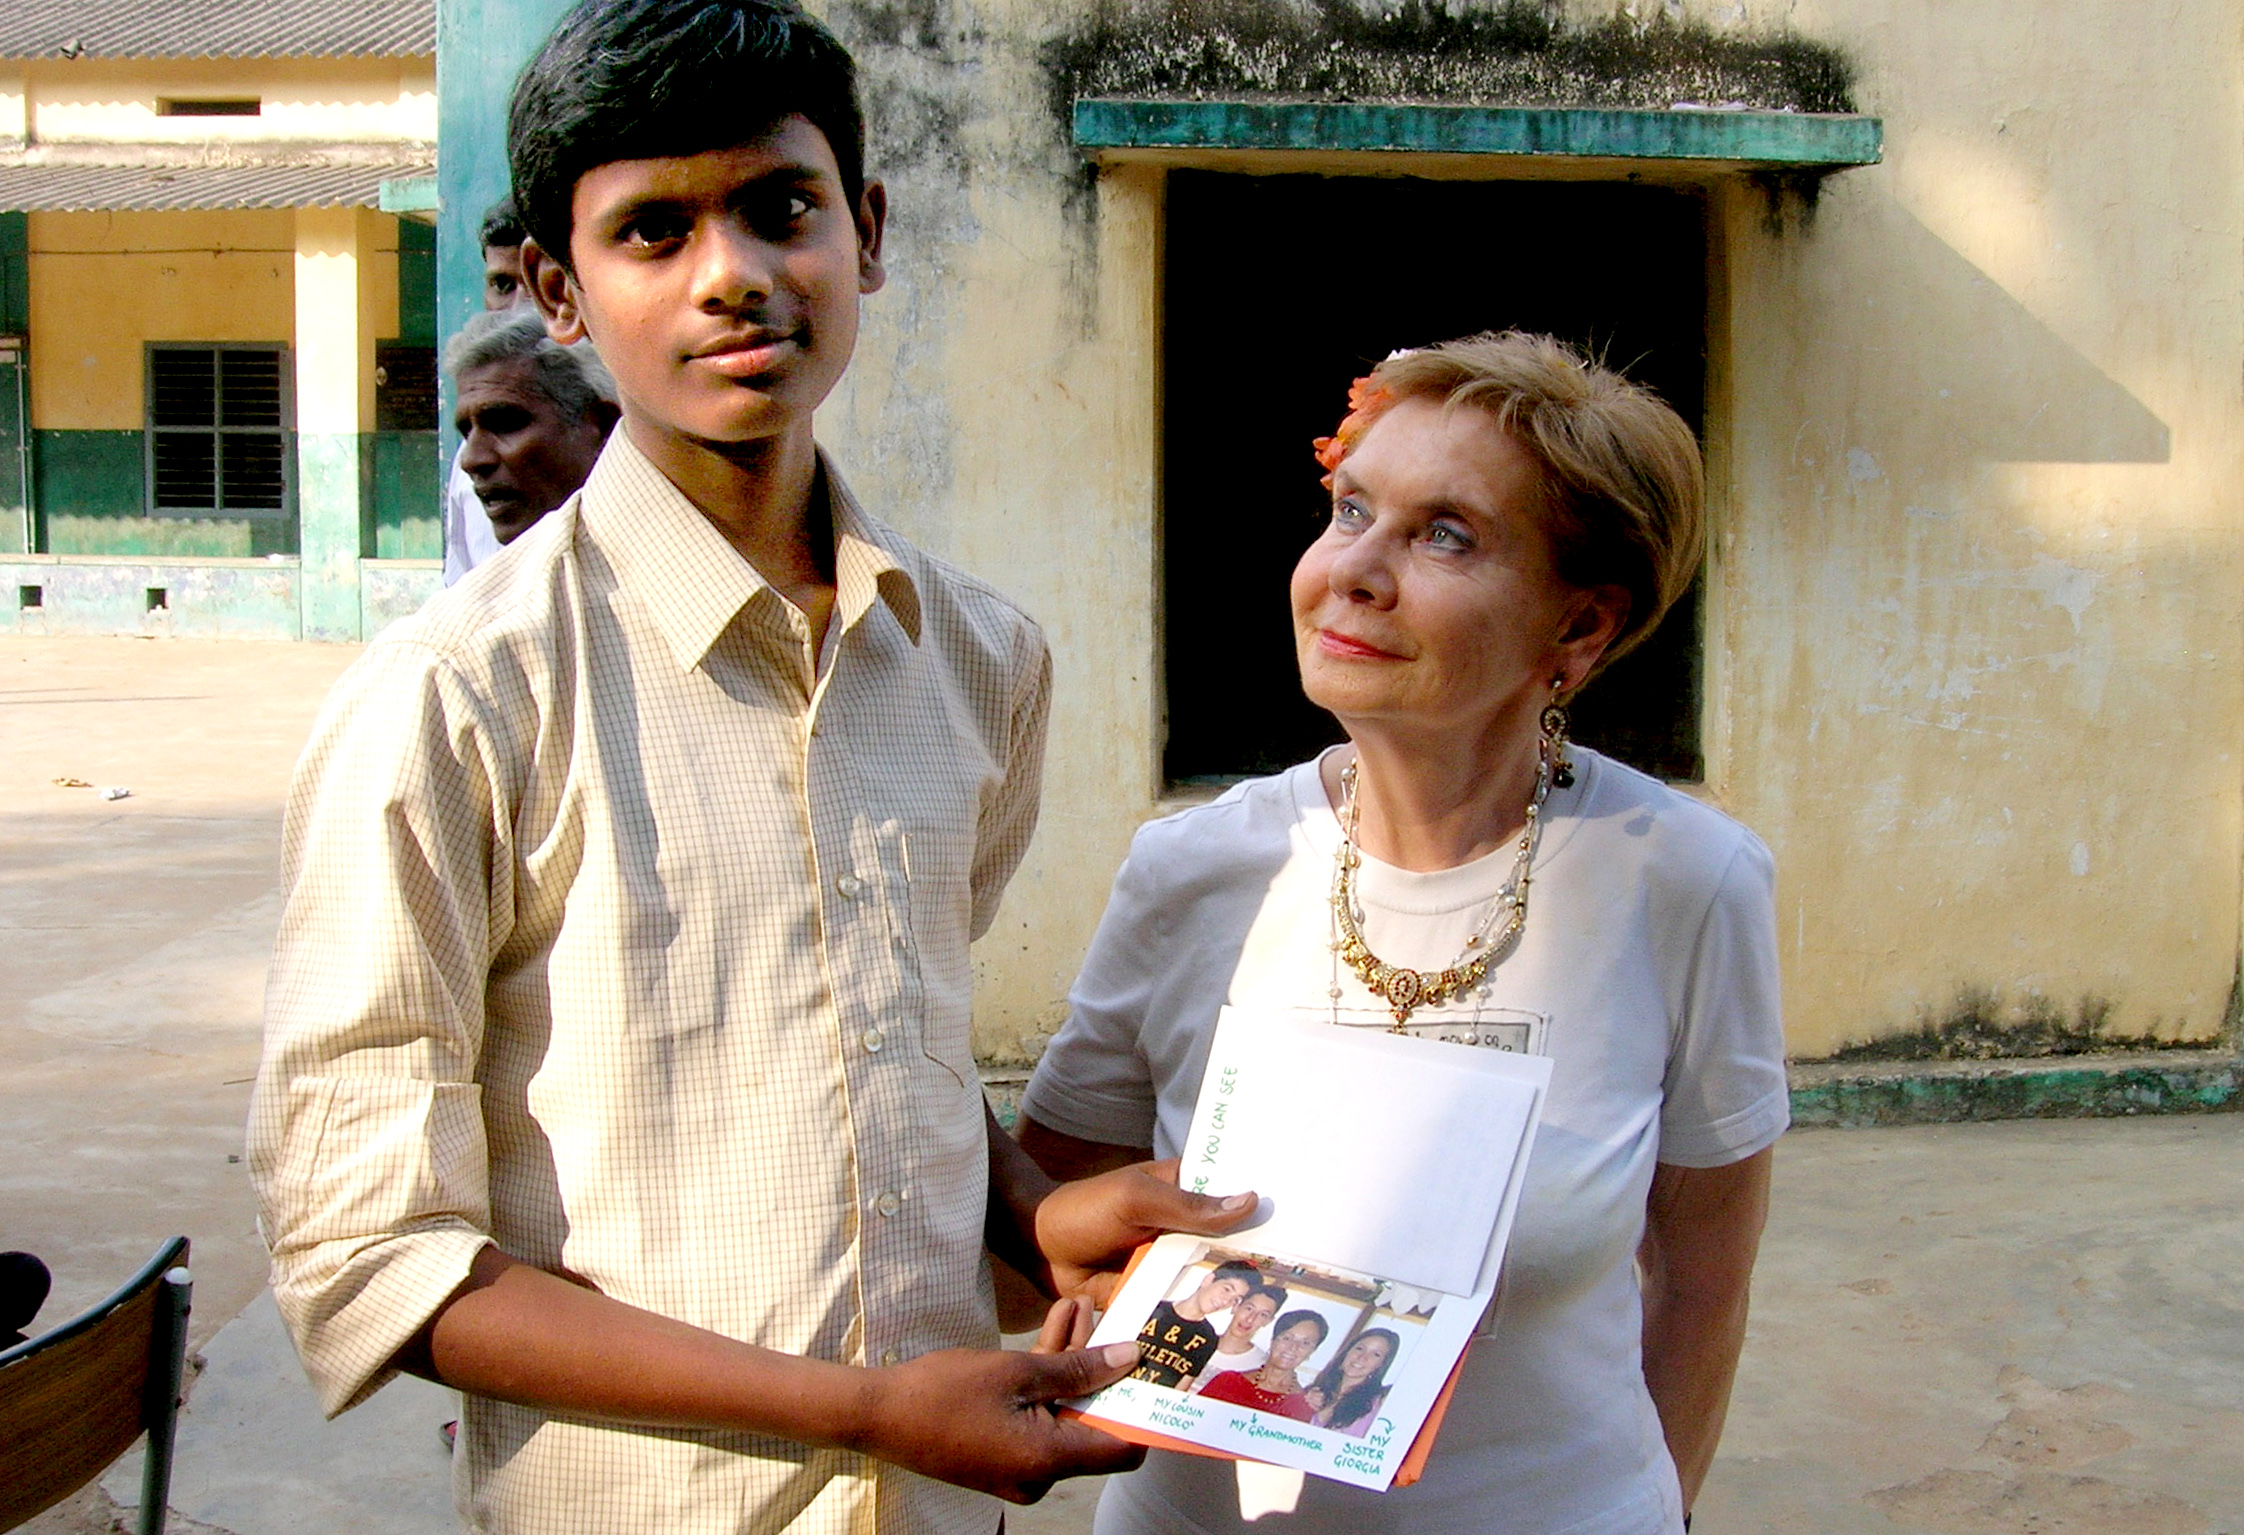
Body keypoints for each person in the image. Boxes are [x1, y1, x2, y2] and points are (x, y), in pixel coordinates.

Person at [246, 2, 1252, 1531]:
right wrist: (861, 1405)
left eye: (779, 208)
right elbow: (374, 1255)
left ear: (867, 230)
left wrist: (1032, 1211)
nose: (733, 276)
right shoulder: (453, 699)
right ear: (556, 294)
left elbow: (872, 1039)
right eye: (651, 232)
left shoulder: (977, 659)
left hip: (940, 1498)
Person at [1016, 331, 1786, 1535]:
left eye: (1445, 535)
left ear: (1578, 630)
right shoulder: (1197, 871)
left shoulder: (1684, 881)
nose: (1354, 570)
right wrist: (1084, 1254)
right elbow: (1044, 1210)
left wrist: (1659, 1512)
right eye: (1349, 510)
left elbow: (1700, 1286)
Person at [445, 308, 619, 548]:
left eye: (504, 425)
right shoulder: (493, 581)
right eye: (466, 431)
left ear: (602, 426)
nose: (472, 460)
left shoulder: (673, 556)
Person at [441, 199, 533, 585]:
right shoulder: (472, 454)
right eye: (502, 285)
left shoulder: (634, 433)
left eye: (542, 284)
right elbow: (458, 584)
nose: (520, 308)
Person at [1131, 1259, 1259, 1388]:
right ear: (1208, 1280)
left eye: (1235, 1299)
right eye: (1226, 1289)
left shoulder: (1208, 1339)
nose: (1226, 1301)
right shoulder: (1151, 1309)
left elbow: (1181, 1387)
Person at [1194, 1310, 1328, 1420]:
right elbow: (1194, 1422)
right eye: (1287, 1338)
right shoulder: (1228, 1381)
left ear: (1312, 1351)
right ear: (1273, 1340)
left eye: (1305, 1343)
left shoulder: (1304, 1406)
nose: (1293, 1348)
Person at [1186, 1281, 1284, 1392]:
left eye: (1263, 1315)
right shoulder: (1197, 1341)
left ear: (1268, 1321)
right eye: (1249, 1309)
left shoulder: (1262, 1365)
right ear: (1236, 1307)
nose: (1250, 1319)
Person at [1303, 1327, 1398, 1438]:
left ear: (1381, 1365)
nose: (1362, 1357)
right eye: (1360, 1348)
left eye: (1376, 1354)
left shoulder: (1378, 1403)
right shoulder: (1315, 1391)